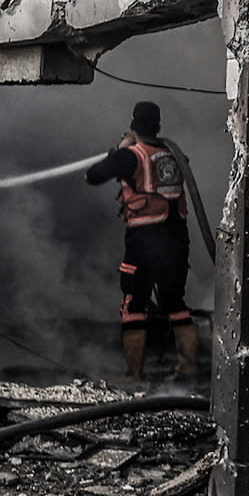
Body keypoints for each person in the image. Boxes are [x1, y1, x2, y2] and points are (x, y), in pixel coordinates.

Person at [86, 101, 202, 383]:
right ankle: (189, 367)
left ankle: (133, 374)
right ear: (158, 125)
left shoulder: (130, 156)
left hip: (144, 240)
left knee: (133, 304)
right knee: (174, 302)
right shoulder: (173, 154)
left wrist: (120, 149)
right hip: (176, 238)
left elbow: (92, 176)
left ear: (132, 125)